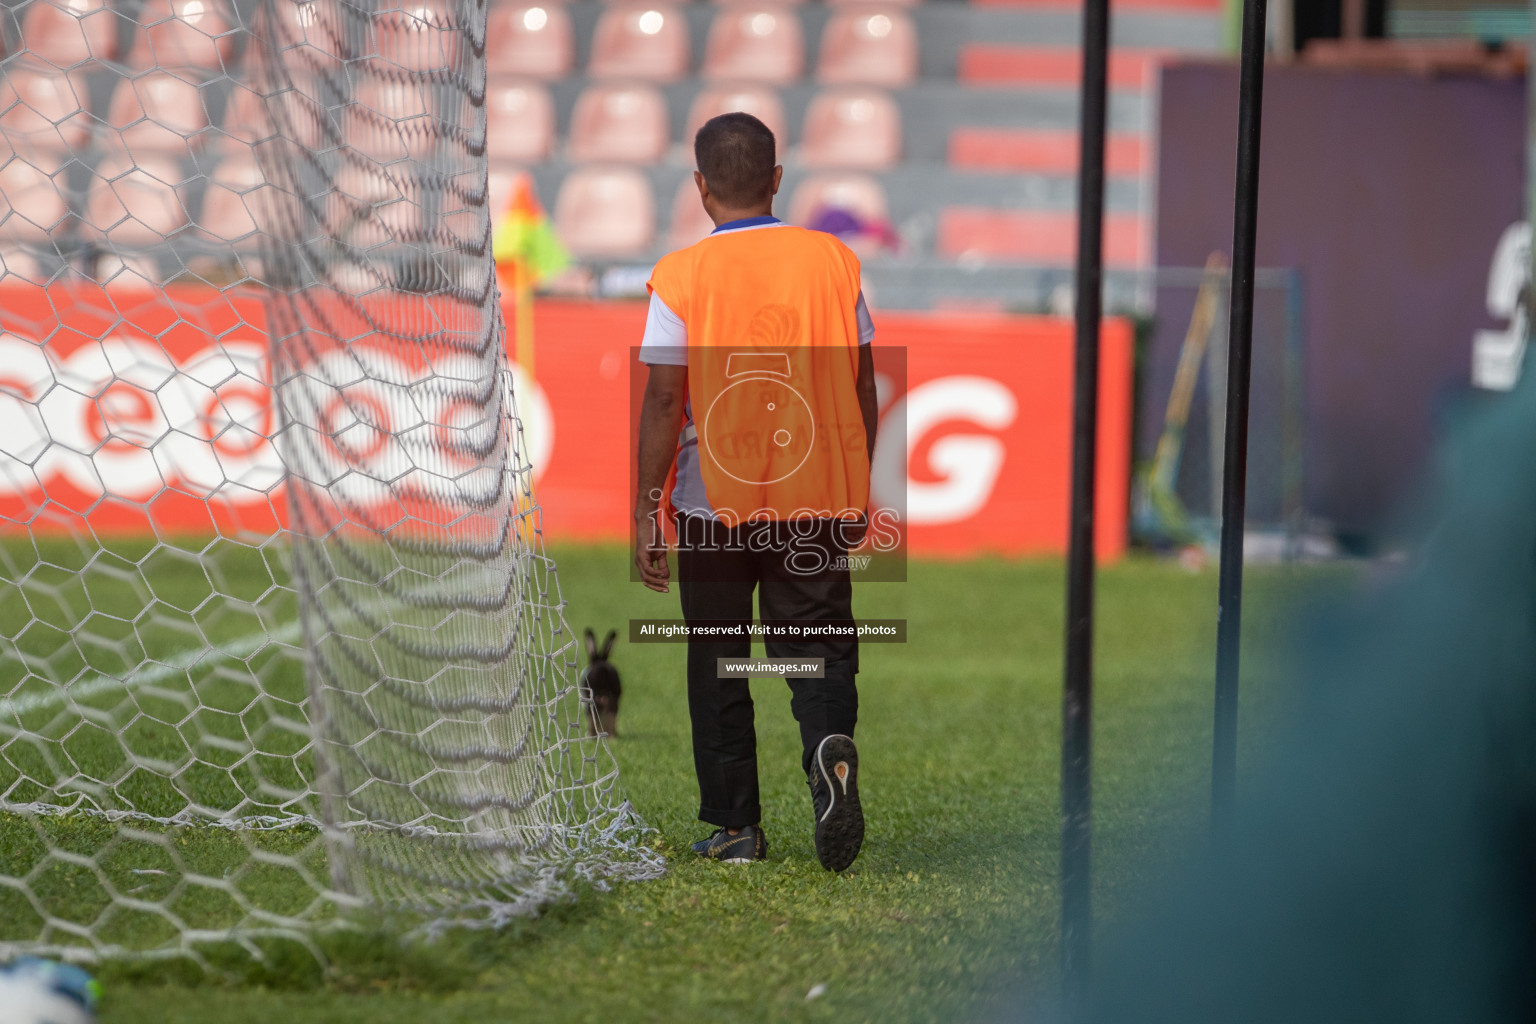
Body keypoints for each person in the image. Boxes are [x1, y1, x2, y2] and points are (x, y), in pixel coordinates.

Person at [633, 112, 880, 872]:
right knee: (819, 652)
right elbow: (863, 381)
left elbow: (665, 400)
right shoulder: (834, 261)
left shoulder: (681, 273)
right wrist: (855, 483)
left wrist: (648, 507)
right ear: (777, 180)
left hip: (714, 503)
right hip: (816, 495)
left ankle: (736, 828)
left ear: (700, 188)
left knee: (717, 658)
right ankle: (827, 750)